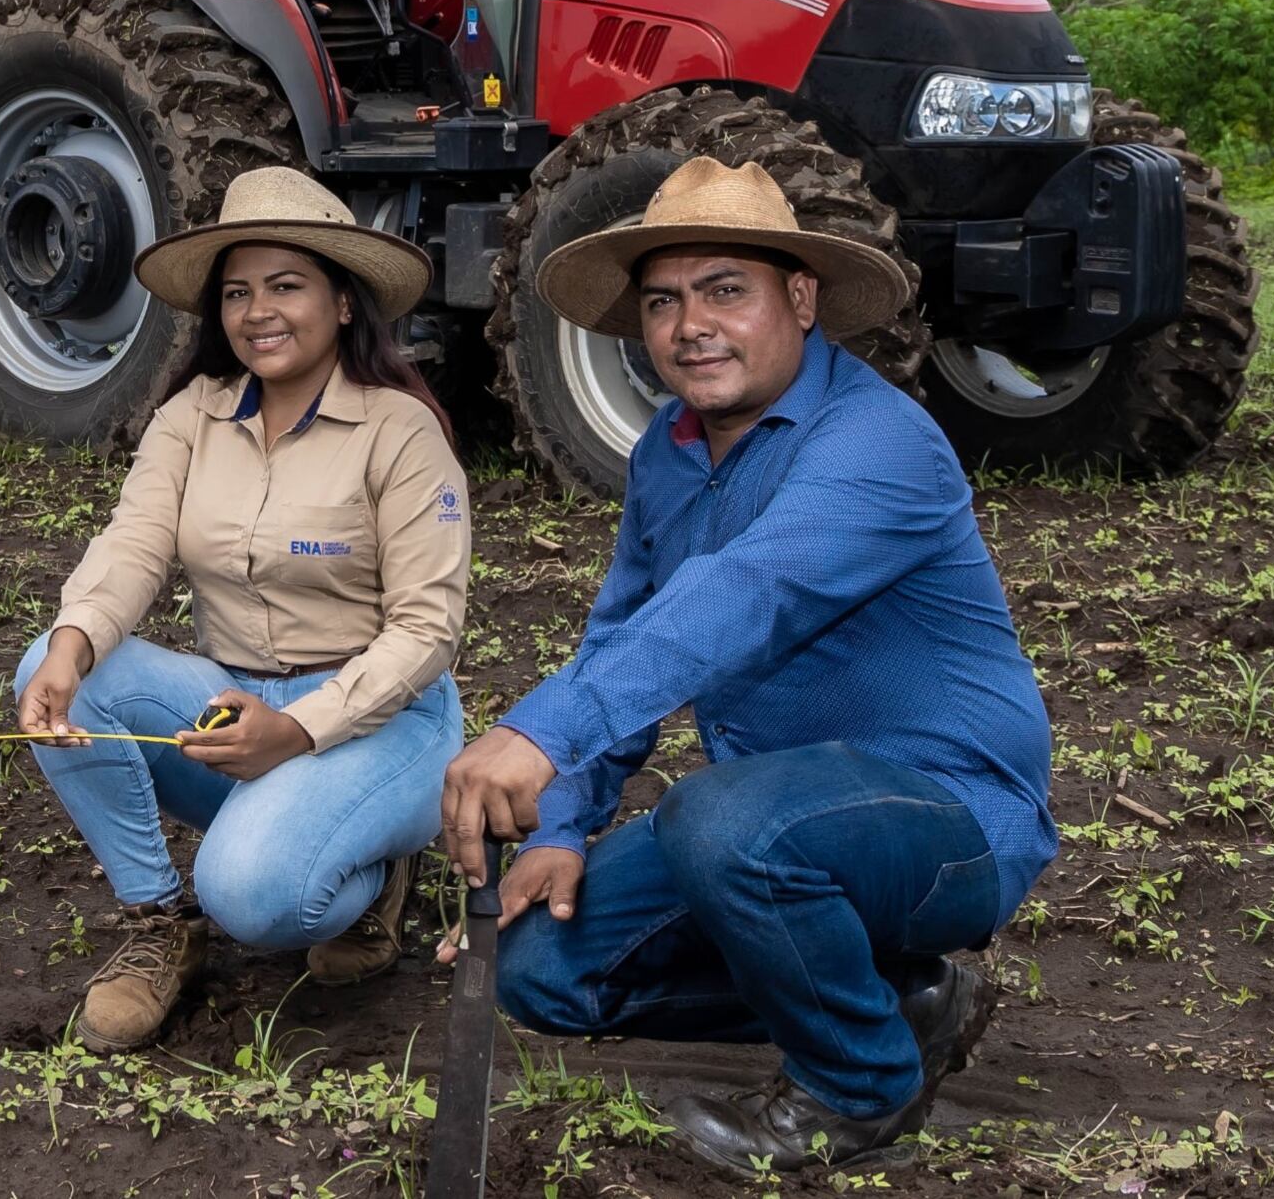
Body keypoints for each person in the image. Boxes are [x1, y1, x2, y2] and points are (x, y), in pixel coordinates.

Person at [437, 157, 1055, 1173]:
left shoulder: (878, 441)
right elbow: (622, 629)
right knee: (538, 963)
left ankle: (858, 1087)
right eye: (663, 300)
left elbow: (748, 590)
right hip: (774, 820)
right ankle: (899, 998)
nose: (690, 325)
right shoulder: (666, 453)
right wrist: (561, 819)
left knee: (721, 816)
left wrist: (541, 731)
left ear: (799, 298)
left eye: (726, 288)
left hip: (944, 820)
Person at [13, 167, 471, 1052]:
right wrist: (72, 646)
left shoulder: (400, 432)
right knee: (51, 669)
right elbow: (134, 542)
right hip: (234, 698)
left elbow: (426, 630)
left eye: (287, 286)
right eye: (237, 292)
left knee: (257, 896)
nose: (258, 310)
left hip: (384, 719)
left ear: (344, 302)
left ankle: (373, 870)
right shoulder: (194, 414)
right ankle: (159, 923)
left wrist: (297, 736)